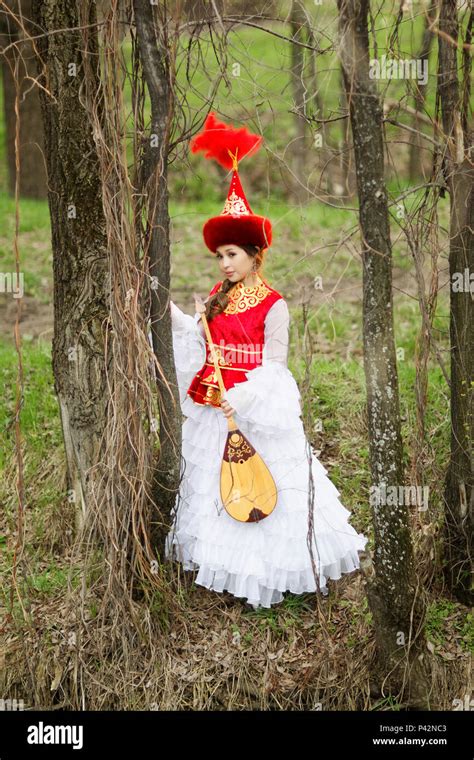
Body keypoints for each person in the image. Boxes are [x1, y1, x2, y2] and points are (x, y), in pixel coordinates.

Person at [164, 113, 368, 609]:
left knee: (265, 483)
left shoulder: (274, 305)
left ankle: (270, 577)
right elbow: (203, 341)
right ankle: (224, 569)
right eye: (220, 256)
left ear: (256, 255)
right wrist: (169, 315)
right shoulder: (217, 294)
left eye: (233, 253)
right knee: (215, 480)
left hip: (251, 406)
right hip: (216, 405)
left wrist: (242, 398)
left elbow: (275, 368)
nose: (225, 263)